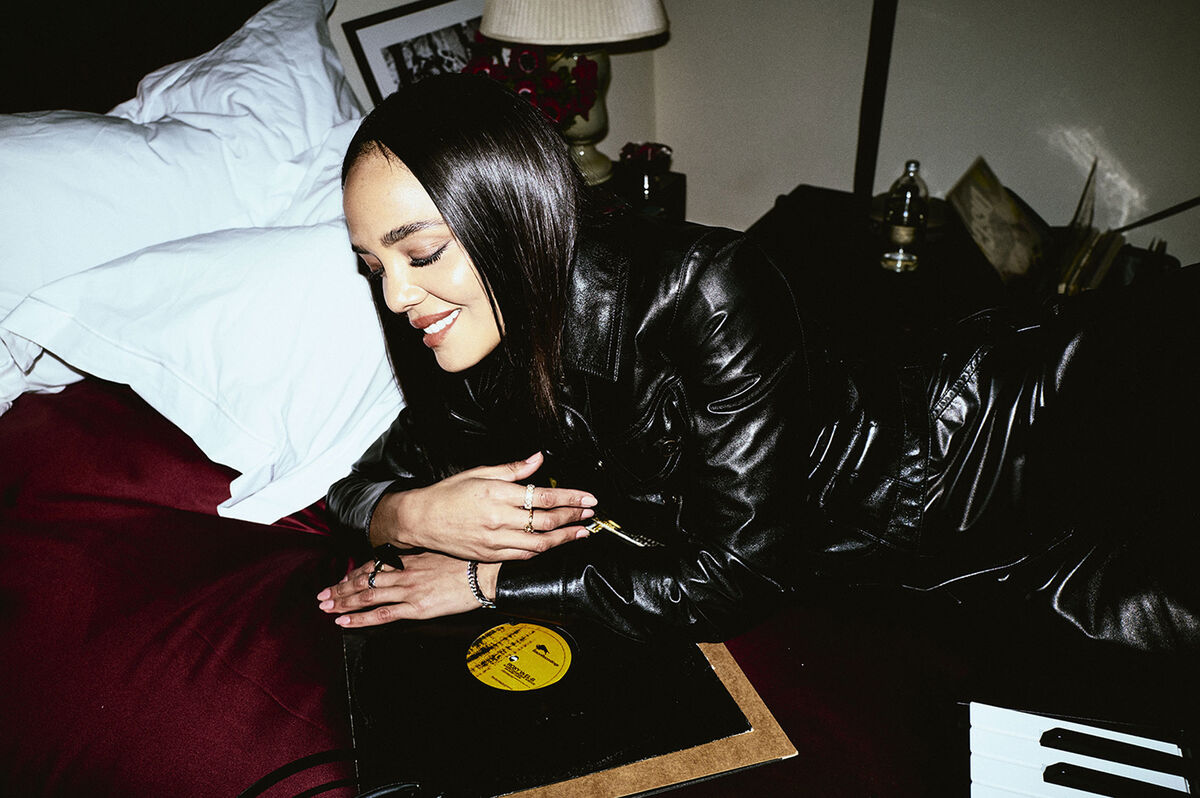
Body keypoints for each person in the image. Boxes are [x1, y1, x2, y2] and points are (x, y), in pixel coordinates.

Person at [319, 73, 1200, 651]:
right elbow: (354, 489)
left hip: (1012, 446)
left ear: (514, 216)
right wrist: (412, 514)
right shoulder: (470, 344)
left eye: (420, 253)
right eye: (373, 268)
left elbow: (735, 572)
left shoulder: (702, 285)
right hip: (926, 575)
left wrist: (487, 581)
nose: (396, 297)